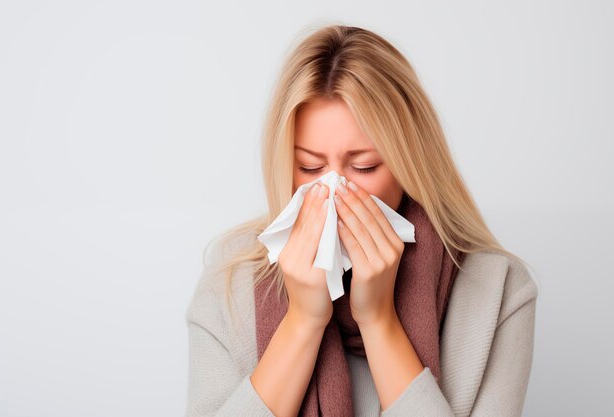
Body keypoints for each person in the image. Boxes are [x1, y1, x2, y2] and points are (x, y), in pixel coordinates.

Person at [185, 24, 539, 417]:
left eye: (364, 166)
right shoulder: (230, 281)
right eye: (309, 166)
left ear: (409, 164)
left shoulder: (497, 291)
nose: (334, 190)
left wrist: (379, 320)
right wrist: (303, 320)